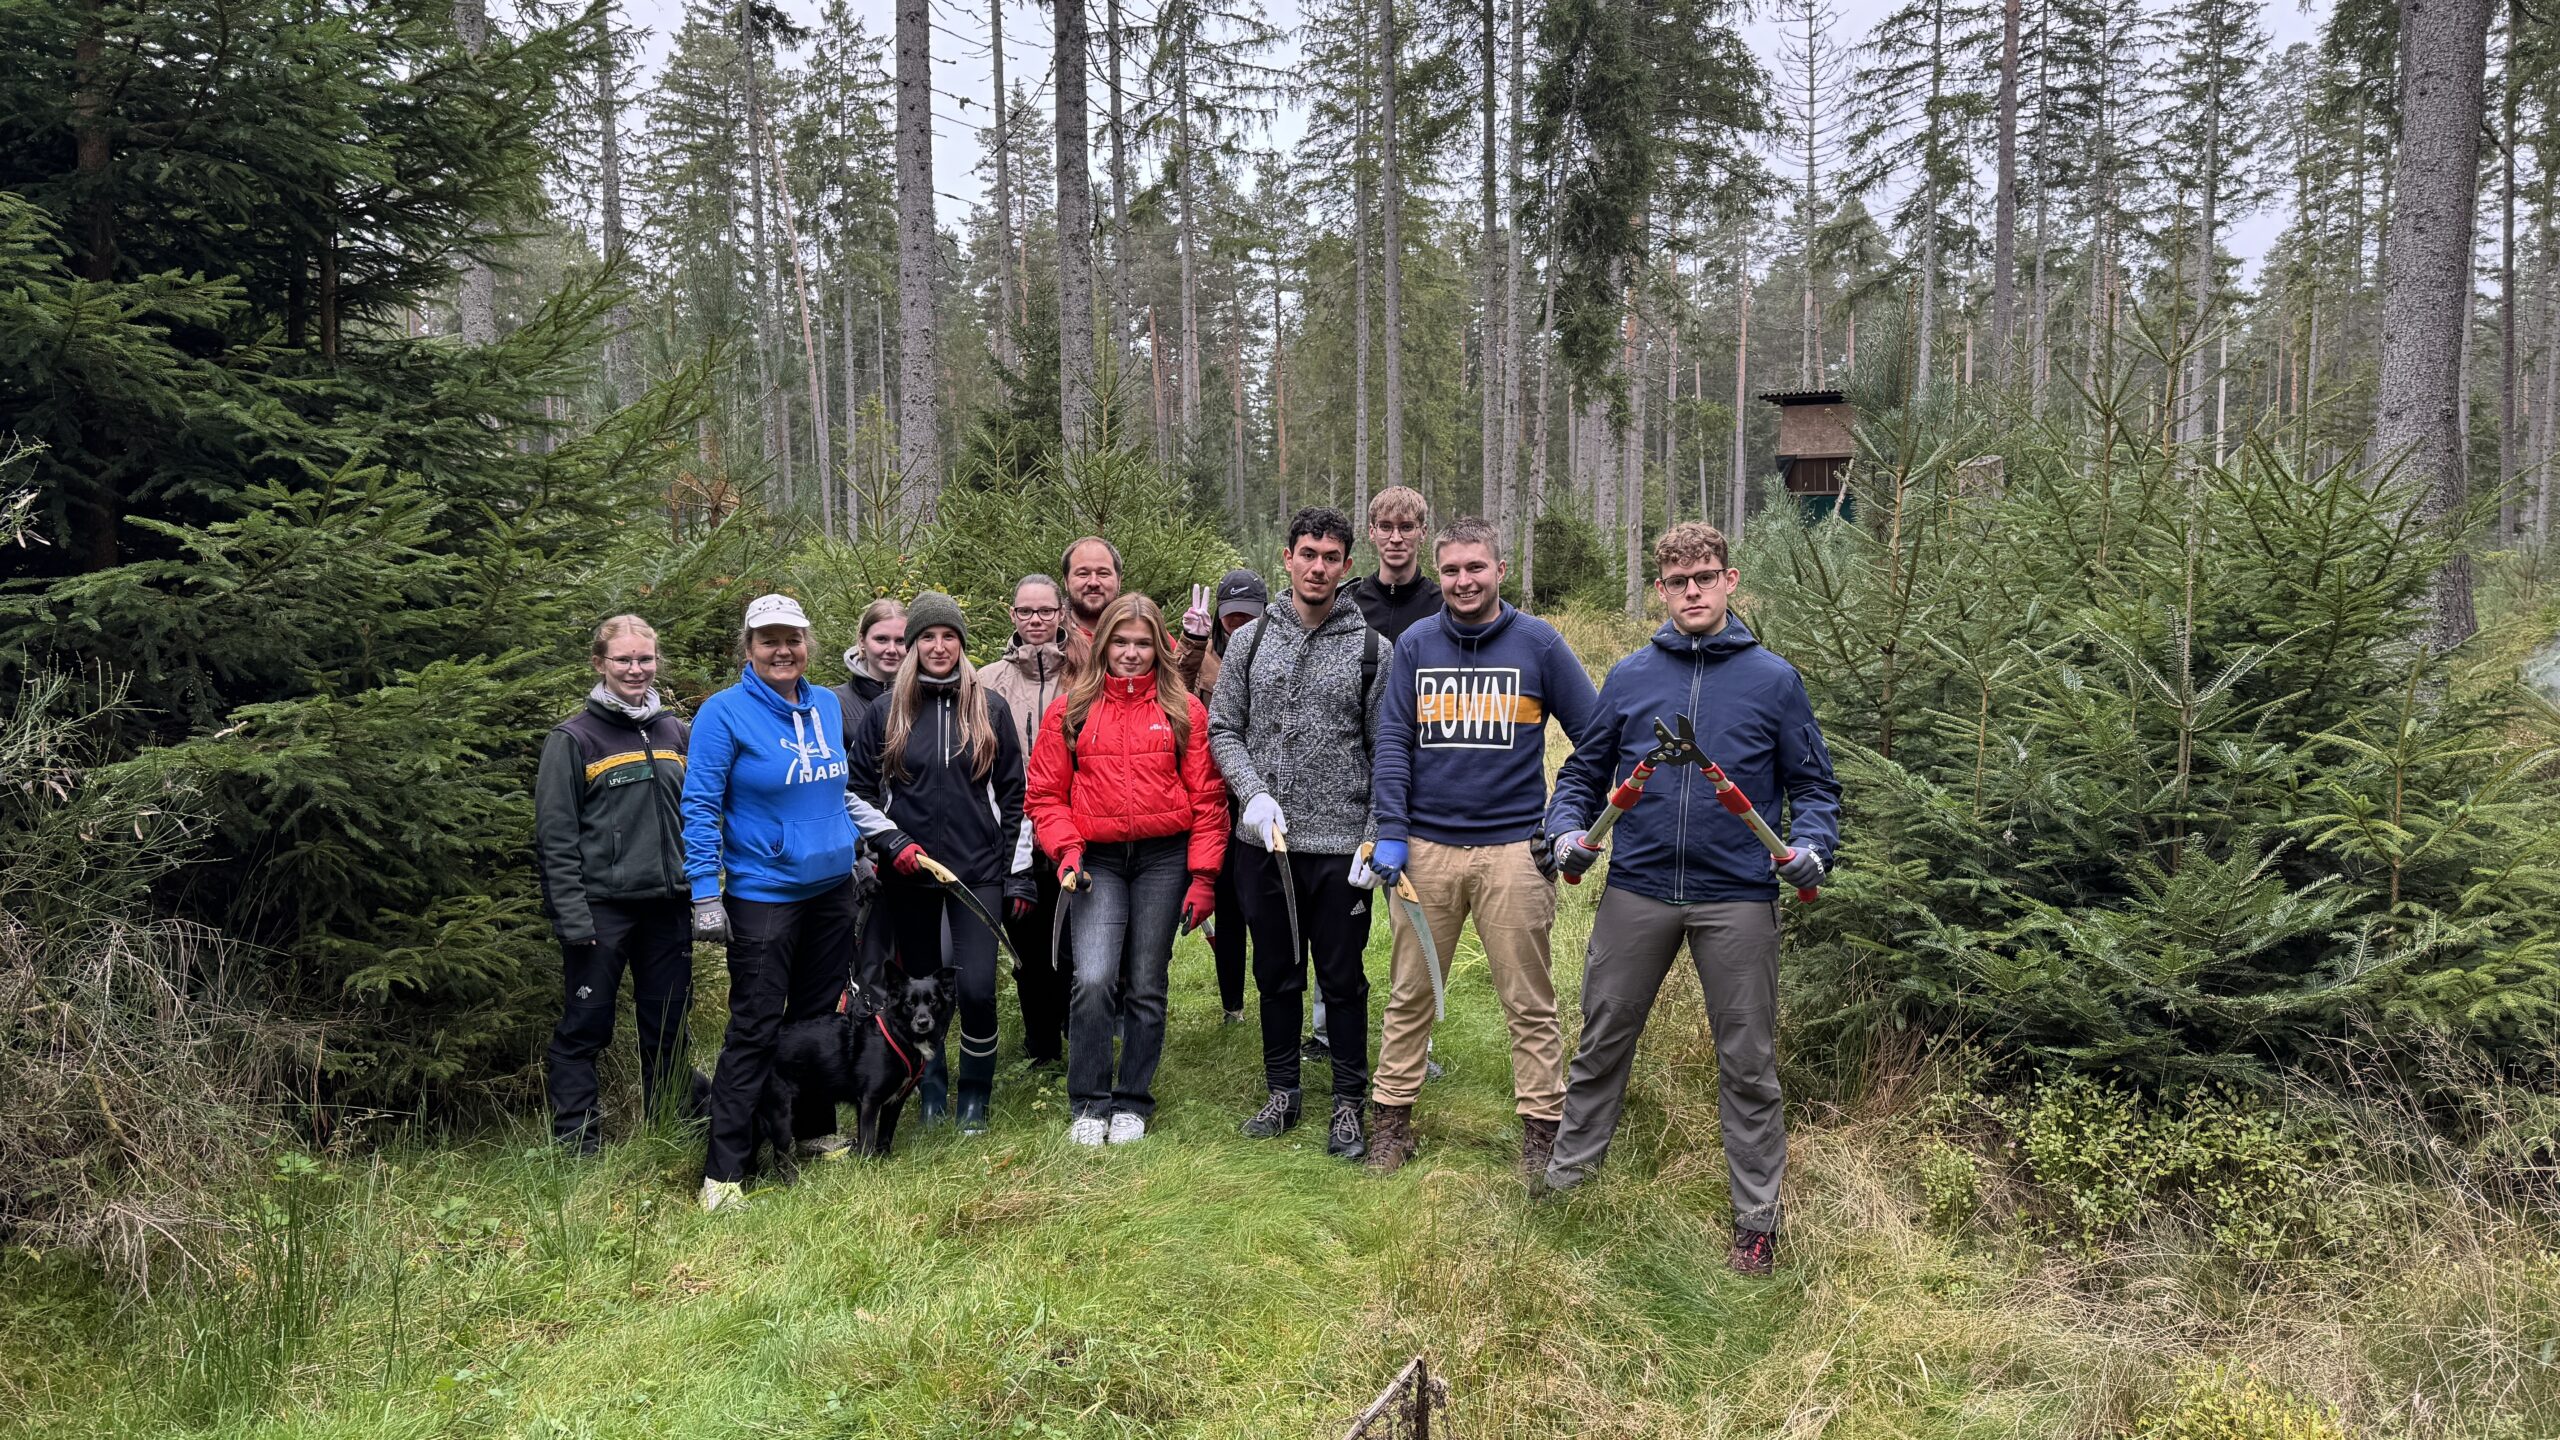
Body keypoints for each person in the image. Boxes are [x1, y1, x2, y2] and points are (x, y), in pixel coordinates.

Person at [1536, 522, 1840, 1277]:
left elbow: (1814, 785)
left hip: (1737, 897)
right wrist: (1566, 831)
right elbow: (1583, 774)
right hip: (1637, 888)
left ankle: (1756, 1222)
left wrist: (1812, 846)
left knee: (1748, 1062)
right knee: (1602, 1041)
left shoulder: (1774, 680)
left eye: (1706, 577)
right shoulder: (1631, 676)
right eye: (1679, 581)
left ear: (1730, 580)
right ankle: (1567, 1186)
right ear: (1661, 589)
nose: (1693, 591)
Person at [1360, 520, 1599, 1176]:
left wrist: (1563, 820)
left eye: (1476, 568)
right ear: (1439, 575)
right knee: (1410, 994)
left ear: (1500, 569)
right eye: (1452, 570)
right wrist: (1392, 830)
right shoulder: (1416, 644)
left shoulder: (1539, 644)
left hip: (1514, 852)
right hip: (1426, 852)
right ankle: (1391, 1124)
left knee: (1529, 1002)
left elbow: (1596, 736)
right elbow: (1393, 742)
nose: (1464, 581)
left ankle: (1542, 1135)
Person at [684, 594, 897, 1213]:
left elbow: (832, 794)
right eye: (769, 640)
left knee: (815, 1019)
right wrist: (705, 892)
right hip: (765, 895)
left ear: (808, 644)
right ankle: (724, 1170)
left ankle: (810, 1131)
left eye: (793, 639)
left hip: (831, 891)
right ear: (749, 648)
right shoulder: (723, 714)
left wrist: (855, 851)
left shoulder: (826, 704)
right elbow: (700, 805)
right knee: (755, 1028)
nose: (783, 651)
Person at [1208, 506, 1391, 1160]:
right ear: (1287, 558)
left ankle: (1348, 1103)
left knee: (1342, 979)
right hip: (1266, 848)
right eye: (1307, 554)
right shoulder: (1251, 641)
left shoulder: (1372, 651)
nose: (1317, 567)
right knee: (1277, 974)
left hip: (1341, 851)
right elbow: (1223, 728)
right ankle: (1283, 1091)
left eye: (1330, 557)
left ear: (1346, 566)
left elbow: (1389, 751)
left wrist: (1373, 836)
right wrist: (1251, 793)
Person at [1027, 594, 1229, 1145]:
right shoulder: (1070, 711)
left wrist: (1204, 877)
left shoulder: (1184, 711)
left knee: (1145, 981)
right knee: (1092, 978)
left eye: (1143, 643)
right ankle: (1089, 1102)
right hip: (1097, 859)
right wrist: (1066, 850)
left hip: (1164, 857)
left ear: (1159, 647)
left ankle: (1133, 1100)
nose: (1132, 653)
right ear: (1103, 646)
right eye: (1121, 642)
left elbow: (1209, 800)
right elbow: (1045, 795)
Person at [848, 591, 1030, 1137]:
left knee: (975, 989)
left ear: (962, 644)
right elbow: (855, 793)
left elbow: (1016, 797)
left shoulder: (989, 708)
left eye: (949, 636)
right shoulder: (886, 711)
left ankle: (974, 1099)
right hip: (910, 873)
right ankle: (929, 1090)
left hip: (978, 874)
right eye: (927, 637)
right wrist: (893, 844)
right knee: (918, 990)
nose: (939, 646)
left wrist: (1016, 873)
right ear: (912, 646)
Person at [534, 615, 700, 1153]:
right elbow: (555, 837)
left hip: (668, 907)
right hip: (600, 910)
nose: (635, 669)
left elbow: (697, 816)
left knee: (668, 1026)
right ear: (599, 663)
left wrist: (702, 890)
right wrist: (571, 917)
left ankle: (670, 1130)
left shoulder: (675, 732)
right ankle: (578, 1144)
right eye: (623, 659)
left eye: (644, 658)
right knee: (585, 1027)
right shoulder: (574, 738)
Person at [982, 574, 1073, 1066]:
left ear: (1061, 613)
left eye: (1045, 611)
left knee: (1074, 946)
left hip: (1073, 832)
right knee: (1028, 948)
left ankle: (1079, 1033)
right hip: (1011, 834)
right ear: (1012, 615)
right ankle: (1042, 1048)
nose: (1035, 620)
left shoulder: (1085, 673)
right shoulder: (986, 680)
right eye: (1025, 611)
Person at [1176, 568, 1268, 1024]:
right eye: (1231, 615)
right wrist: (1192, 645)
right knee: (1228, 904)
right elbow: (1173, 696)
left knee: (1264, 906)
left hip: (1265, 796)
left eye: (1248, 614)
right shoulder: (1206, 656)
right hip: (1217, 798)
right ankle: (1233, 1004)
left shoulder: (1275, 649)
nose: (1239, 623)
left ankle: (1274, 994)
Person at [1344, 485, 1443, 643]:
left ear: (1423, 533)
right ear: (1372, 532)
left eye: (1406, 527)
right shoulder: (1350, 603)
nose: (1396, 539)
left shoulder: (1442, 606)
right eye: (1385, 527)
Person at [1059, 536, 1125, 676]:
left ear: (1119, 581)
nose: (1093, 582)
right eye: (1083, 574)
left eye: (1103, 574)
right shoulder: (1047, 636)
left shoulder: (1146, 633)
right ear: (1066, 581)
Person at [834, 597, 908, 716]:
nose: (891, 650)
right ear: (862, 641)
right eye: (881, 639)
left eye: (900, 641)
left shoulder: (925, 702)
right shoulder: (835, 703)